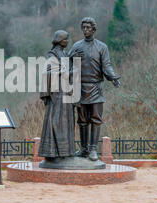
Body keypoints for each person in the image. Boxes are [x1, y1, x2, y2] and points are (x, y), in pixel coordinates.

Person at [69, 17, 121, 161]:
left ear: (94, 29)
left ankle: (93, 149)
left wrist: (113, 78)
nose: (85, 30)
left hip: (96, 88)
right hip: (80, 88)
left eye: (88, 27)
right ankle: (84, 148)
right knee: (82, 120)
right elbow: (66, 65)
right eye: (83, 27)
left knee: (96, 120)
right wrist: (71, 57)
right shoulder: (76, 46)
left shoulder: (101, 47)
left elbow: (106, 65)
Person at [39, 30, 76, 161]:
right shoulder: (52, 55)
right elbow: (46, 73)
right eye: (65, 39)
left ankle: (65, 152)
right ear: (60, 40)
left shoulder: (65, 54)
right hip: (56, 94)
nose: (67, 41)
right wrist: (62, 71)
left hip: (65, 92)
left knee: (66, 122)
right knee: (54, 121)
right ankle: (52, 153)